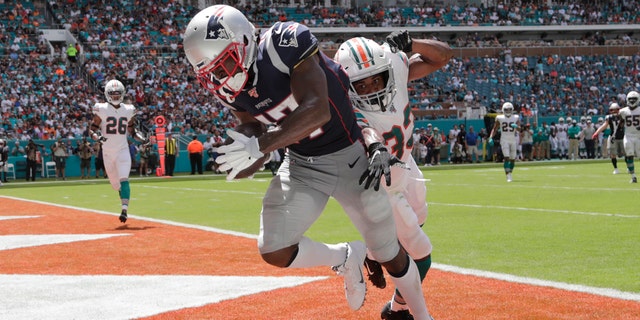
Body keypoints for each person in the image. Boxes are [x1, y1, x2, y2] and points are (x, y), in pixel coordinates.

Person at [183, 6, 431, 318]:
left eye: (226, 64)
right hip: (302, 161)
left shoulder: (283, 44)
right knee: (273, 247)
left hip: (350, 152)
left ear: (244, 41)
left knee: (388, 254)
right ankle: (344, 256)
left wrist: (260, 145)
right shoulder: (230, 90)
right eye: (213, 73)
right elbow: (253, 127)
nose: (224, 77)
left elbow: (317, 109)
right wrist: (243, 150)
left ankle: (422, 315)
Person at [335, 31, 451, 319]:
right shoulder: (343, 103)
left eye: (377, 78)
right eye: (361, 85)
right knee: (421, 254)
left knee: (420, 217)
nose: (373, 87)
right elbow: (365, 129)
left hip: (406, 164)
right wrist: (374, 145)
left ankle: (373, 253)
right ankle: (399, 309)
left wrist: (413, 43)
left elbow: (442, 56)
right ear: (347, 86)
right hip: (381, 180)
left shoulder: (395, 65)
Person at [89, 79, 145, 223]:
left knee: (124, 179)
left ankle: (124, 210)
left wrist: (141, 138)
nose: (115, 96)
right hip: (107, 152)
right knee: (115, 185)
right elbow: (92, 129)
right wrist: (97, 136)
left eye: (117, 94)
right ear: (107, 94)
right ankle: (122, 196)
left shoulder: (128, 109)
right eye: (112, 94)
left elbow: (132, 130)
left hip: (122, 149)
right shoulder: (101, 108)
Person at [489, 102, 520, 182]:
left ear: (512, 109)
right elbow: (494, 129)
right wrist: (490, 137)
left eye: (510, 109)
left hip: (513, 139)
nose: (508, 111)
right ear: (503, 110)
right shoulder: (500, 118)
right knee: (506, 157)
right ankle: (508, 175)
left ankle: (509, 171)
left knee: (513, 159)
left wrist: (517, 127)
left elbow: (520, 129)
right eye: (506, 109)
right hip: (504, 139)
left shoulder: (516, 117)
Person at [592, 102, 625, 174]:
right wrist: (596, 133)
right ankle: (616, 168)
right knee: (612, 154)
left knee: (625, 153)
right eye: (612, 110)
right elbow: (604, 125)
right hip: (613, 137)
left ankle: (629, 167)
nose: (614, 111)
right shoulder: (609, 118)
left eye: (615, 110)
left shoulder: (622, 116)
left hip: (622, 137)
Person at [618, 91, 640, 183]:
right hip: (628, 136)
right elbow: (621, 123)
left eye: (633, 99)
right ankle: (633, 176)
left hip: (639, 136)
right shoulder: (623, 111)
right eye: (630, 99)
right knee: (629, 156)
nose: (632, 101)